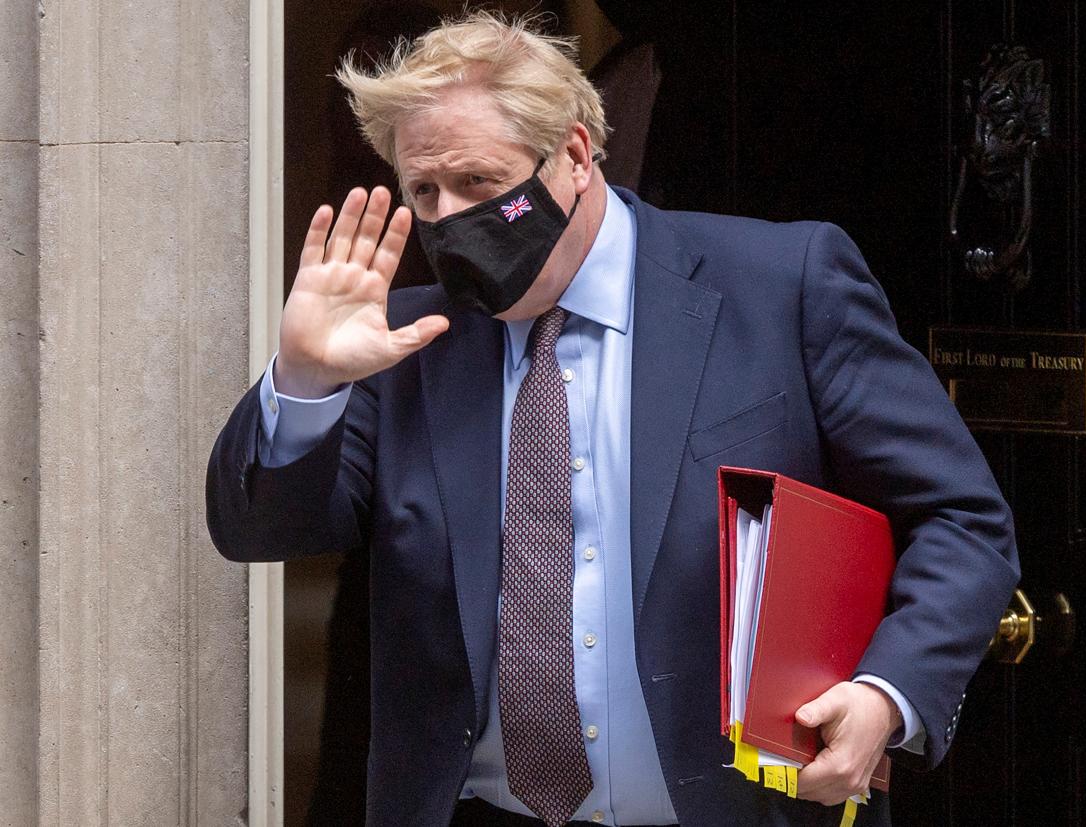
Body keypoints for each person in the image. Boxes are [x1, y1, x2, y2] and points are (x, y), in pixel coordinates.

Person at [206, 11, 1020, 827]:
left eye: (478, 183)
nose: (449, 219)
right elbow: (262, 530)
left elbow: (960, 520)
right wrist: (307, 377)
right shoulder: (404, 344)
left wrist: (886, 693)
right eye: (425, 191)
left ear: (571, 155)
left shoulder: (780, 285)